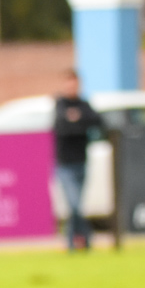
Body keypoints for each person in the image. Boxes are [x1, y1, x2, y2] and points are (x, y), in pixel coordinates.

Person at [53, 69, 103, 251]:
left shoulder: (84, 104)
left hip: (82, 161)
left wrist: (77, 120)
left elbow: (97, 121)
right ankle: (81, 239)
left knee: (78, 206)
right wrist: (79, 123)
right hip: (64, 164)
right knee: (74, 205)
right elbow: (63, 127)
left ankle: (75, 243)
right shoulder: (60, 104)